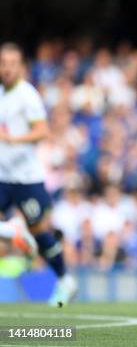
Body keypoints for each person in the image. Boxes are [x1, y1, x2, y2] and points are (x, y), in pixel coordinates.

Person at [0, 42, 78, 306]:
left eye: (12, 63)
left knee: (40, 233)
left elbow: (43, 131)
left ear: (20, 67)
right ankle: (13, 233)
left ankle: (65, 280)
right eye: (2, 63)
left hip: (26, 178)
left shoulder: (27, 95)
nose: (6, 68)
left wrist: (12, 139)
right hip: (2, 176)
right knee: (27, 232)